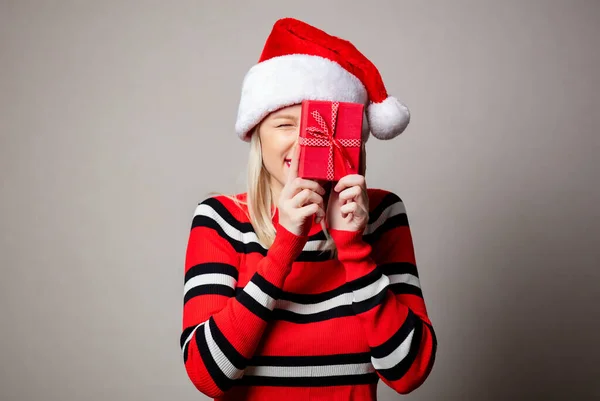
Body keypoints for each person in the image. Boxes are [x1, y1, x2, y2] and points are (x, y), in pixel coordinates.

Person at [180, 17, 437, 401]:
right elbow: (207, 375)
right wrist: (285, 243)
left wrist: (353, 248)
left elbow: (409, 372)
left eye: (319, 126)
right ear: (257, 135)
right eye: (285, 124)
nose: (302, 145)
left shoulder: (382, 214)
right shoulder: (221, 220)